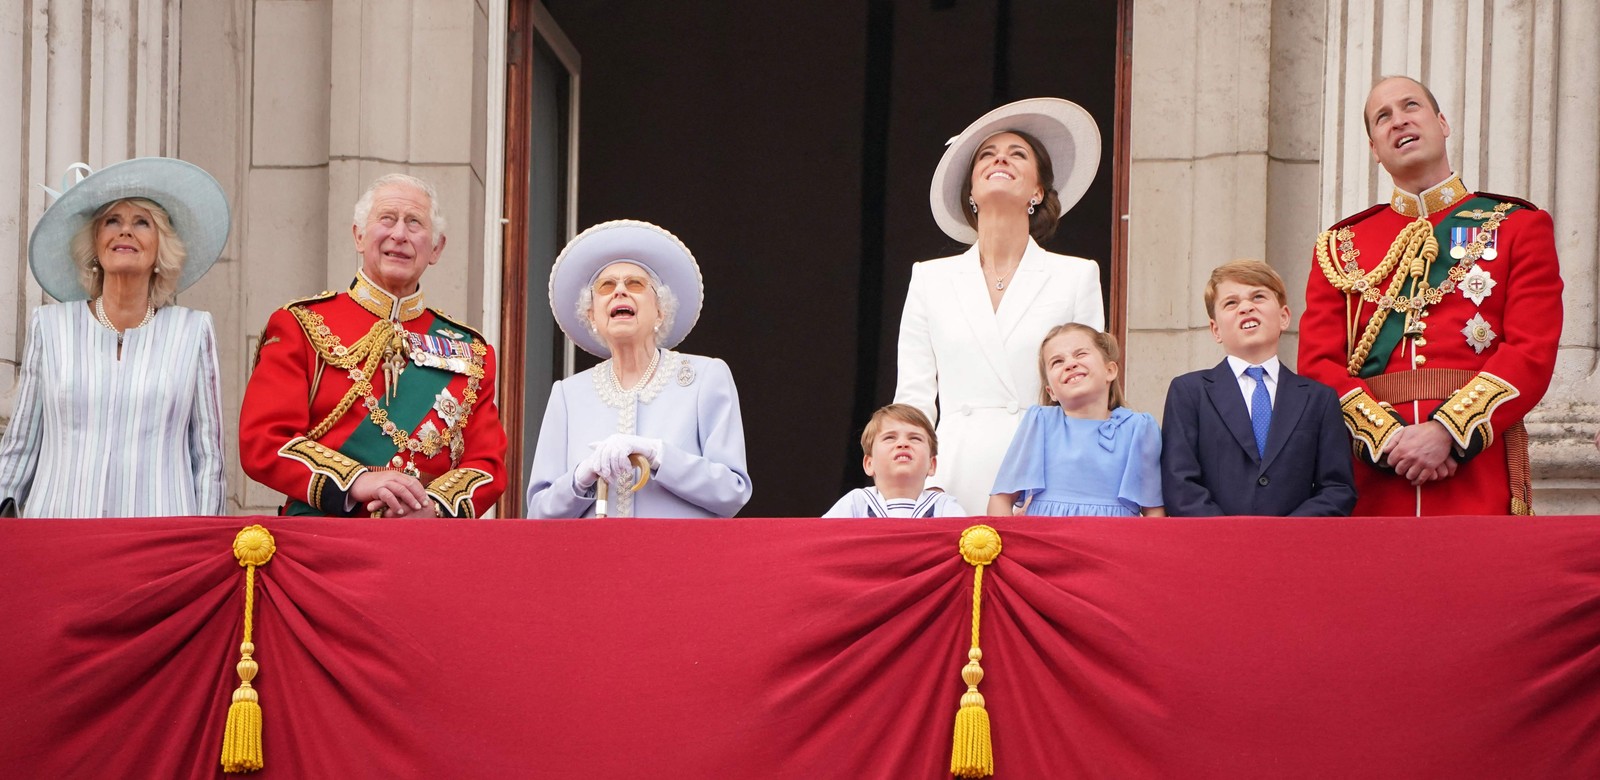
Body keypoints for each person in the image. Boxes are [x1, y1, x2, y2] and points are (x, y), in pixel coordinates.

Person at [1298, 76, 1563, 516]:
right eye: (1383, 117)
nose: (1399, 120)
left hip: (1475, 467)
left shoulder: (1516, 226)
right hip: (1375, 474)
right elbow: (1317, 365)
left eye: (1411, 107)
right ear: (1374, 148)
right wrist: (1385, 439)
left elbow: (1531, 351)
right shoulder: (1340, 245)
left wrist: (1448, 432)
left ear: (1442, 123)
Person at [240, 173, 507, 518]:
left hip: (422, 544)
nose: (399, 234)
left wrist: (435, 508)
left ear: (437, 248)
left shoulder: (471, 351)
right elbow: (264, 440)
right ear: (359, 235)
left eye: (415, 223)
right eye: (387, 219)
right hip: (323, 537)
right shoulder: (300, 324)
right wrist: (356, 481)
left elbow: (486, 464)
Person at [896, 97, 1106, 514]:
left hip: (1042, 477)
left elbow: (1088, 394)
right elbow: (914, 397)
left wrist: (1072, 485)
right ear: (971, 190)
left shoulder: (1076, 276)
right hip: (951, 479)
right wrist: (914, 489)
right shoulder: (929, 278)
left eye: (1017, 154)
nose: (1001, 160)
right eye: (987, 155)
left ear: (1038, 189)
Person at [0, 157, 228, 517]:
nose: (125, 231)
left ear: (160, 249)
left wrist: (207, 546)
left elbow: (209, 459)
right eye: (112, 221)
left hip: (161, 538)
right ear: (95, 244)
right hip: (60, 532)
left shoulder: (192, 331)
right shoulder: (50, 326)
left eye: (142, 222)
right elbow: (20, 446)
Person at [525, 220, 752, 518]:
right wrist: (581, 477)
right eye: (606, 286)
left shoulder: (705, 378)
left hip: (682, 559)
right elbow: (540, 513)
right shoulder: (567, 395)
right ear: (592, 315)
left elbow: (732, 491)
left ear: (660, 310)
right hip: (593, 560)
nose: (619, 291)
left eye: (635, 284)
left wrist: (658, 455)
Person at [1161, 260, 1356, 517]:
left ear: (1284, 317)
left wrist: (1281, 536)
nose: (1246, 307)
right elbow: (1180, 483)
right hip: (1214, 547)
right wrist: (1232, 538)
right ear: (1215, 329)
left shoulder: (1319, 398)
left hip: (1293, 547)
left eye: (1258, 296)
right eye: (1231, 303)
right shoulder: (1189, 392)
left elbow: (1337, 488)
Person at [988, 323, 1162, 517]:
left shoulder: (1139, 428)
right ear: (1051, 391)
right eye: (1057, 362)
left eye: (1080, 354)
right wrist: (1013, 545)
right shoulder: (1040, 423)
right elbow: (1001, 498)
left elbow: (1153, 510)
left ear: (1110, 370)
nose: (1070, 364)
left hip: (1113, 543)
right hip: (1047, 542)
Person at [823, 404, 967, 518]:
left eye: (915, 438)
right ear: (869, 464)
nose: (903, 443)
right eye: (890, 438)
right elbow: (823, 539)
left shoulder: (943, 506)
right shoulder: (857, 503)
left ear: (932, 465)